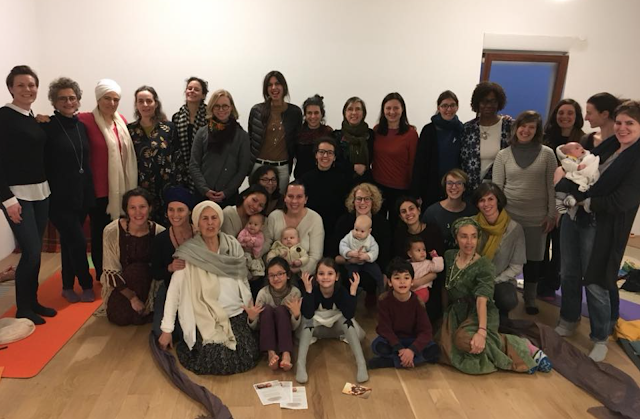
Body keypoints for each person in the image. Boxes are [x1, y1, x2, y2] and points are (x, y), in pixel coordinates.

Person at [556, 100, 640, 362]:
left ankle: (600, 336)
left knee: (595, 281)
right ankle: (568, 319)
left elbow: (623, 200)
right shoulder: (609, 146)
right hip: (573, 216)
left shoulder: (636, 158)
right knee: (568, 272)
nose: (622, 128)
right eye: (619, 122)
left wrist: (586, 201)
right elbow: (580, 167)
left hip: (601, 226)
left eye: (630, 123)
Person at [438, 217, 552, 375]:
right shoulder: (449, 256)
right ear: (456, 238)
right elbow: (445, 287)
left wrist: (481, 331)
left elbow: (481, 301)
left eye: (473, 236)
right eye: (464, 236)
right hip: (456, 312)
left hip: (478, 312)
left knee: (464, 340)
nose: (469, 242)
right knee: (443, 347)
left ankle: (520, 346)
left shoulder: (484, 265)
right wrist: (445, 313)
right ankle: (499, 343)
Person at [158, 200, 260, 375]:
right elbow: (174, 292)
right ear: (197, 223)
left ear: (220, 221)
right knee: (215, 358)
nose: (210, 223)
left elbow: (242, 277)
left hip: (235, 312)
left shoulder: (232, 245)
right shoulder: (189, 252)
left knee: (247, 353)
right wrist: (167, 330)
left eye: (214, 218)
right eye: (205, 219)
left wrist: (249, 306)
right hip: (204, 316)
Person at [0, 65, 56, 324]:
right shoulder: (3, 117)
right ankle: (23, 307)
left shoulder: (30, 116)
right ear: (10, 88)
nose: (27, 89)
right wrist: (7, 200)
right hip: (16, 196)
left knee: (36, 252)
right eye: (21, 85)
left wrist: (40, 122)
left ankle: (32, 301)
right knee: (31, 251)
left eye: (31, 85)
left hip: (41, 192)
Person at [492, 111, 556, 315]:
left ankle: (530, 298)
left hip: (537, 218)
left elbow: (552, 187)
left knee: (534, 260)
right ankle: (505, 293)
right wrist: (497, 217)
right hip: (510, 217)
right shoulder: (503, 155)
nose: (526, 130)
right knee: (506, 257)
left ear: (537, 131)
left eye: (531, 127)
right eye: (523, 126)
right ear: (516, 128)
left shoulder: (547, 154)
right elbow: (497, 188)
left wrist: (552, 214)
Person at [78, 79, 137, 283]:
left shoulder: (121, 121)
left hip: (122, 191)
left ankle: (119, 270)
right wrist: (41, 119)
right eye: (107, 98)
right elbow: (62, 124)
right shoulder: (85, 120)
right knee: (101, 235)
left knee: (121, 234)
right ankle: (102, 274)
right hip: (98, 191)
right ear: (98, 98)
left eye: (116, 99)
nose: (112, 103)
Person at [42, 77, 96, 303]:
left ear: (78, 100)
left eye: (72, 98)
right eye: (62, 98)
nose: (68, 102)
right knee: (78, 241)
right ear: (54, 102)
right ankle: (86, 284)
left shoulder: (81, 126)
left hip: (81, 195)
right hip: (58, 199)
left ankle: (66, 285)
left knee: (68, 242)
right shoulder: (46, 126)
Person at [540, 98, 585, 300]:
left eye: (570, 113)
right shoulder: (545, 138)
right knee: (541, 243)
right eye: (561, 112)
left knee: (560, 246)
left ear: (577, 117)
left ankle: (552, 283)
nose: (564, 117)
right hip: (543, 198)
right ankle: (539, 281)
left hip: (569, 202)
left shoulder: (583, 141)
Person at [296, 258, 368, 383]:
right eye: (321, 273)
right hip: (318, 328)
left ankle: (361, 364)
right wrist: (308, 291)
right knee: (307, 324)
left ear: (336, 276)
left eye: (330, 273)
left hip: (336, 328)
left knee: (348, 323)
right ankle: (300, 365)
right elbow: (308, 314)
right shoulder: (313, 290)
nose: (325, 277)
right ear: (316, 276)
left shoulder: (341, 291)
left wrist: (353, 292)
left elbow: (349, 314)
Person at [100, 188, 165, 326]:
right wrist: (132, 298)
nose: (138, 212)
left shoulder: (159, 232)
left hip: (149, 284)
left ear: (150, 208)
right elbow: (110, 271)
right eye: (132, 208)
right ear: (126, 210)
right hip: (122, 286)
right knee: (119, 318)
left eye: (142, 207)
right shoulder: (112, 231)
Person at [368, 257, 440, 369]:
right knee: (377, 346)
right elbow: (384, 328)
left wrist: (412, 350)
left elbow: (426, 331)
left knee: (434, 350)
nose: (402, 282)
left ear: (412, 281)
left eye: (406, 278)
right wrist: (399, 348)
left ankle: (392, 362)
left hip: (413, 339)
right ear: (390, 282)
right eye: (397, 278)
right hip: (393, 340)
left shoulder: (418, 302)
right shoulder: (384, 300)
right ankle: (410, 360)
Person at [331, 183, 391, 307]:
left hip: (371, 262)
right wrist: (349, 258)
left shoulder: (382, 223)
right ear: (353, 201)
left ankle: (372, 295)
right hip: (348, 262)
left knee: (376, 275)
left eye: (367, 199)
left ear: (373, 201)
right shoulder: (344, 221)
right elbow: (334, 253)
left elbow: (386, 254)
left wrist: (370, 260)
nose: (362, 202)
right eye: (359, 199)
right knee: (344, 275)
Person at [128, 85, 182, 224]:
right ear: (136, 105)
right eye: (141, 101)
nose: (145, 105)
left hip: (166, 187)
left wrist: (179, 187)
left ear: (156, 103)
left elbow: (178, 158)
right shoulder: (130, 130)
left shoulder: (169, 128)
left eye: (149, 101)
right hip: (141, 190)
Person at [473, 183, 526, 324]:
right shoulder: (471, 224)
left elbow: (516, 267)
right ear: (477, 204)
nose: (486, 204)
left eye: (490, 199)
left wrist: (492, 281)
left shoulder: (514, 229)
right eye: (482, 200)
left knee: (507, 299)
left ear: (498, 201)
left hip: (500, 280)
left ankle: (501, 317)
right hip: (474, 277)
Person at [190, 89, 251, 207]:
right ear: (212, 108)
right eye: (217, 106)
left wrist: (226, 192)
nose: (221, 110)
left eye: (225, 106)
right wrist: (205, 189)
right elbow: (194, 164)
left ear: (231, 107)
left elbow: (243, 169)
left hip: (228, 196)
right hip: (203, 194)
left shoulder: (242, 136)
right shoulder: (202, 133)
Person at [151, 186, 195, 339]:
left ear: (189, 211)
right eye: (171, 210)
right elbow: (155, 272)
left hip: (196, 289)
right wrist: (170, 267)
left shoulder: (200, 234)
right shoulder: (160, 239)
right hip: (169, 287)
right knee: (160, 332)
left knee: (188, 333)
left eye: (180, 210)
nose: (175, 215)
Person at [248, 71, 303, 193]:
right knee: (256, 201)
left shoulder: (295, 112)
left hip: (282, 168)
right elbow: (251, 139)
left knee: (279, 202)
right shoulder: (257, 111)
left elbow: (296, 140)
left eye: (277, 83)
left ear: (284, 86)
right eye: (270, 85)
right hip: (259, 166)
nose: (274, 88)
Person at [394, 196, 445, 323]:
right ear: (400, 217)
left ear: (419, 210)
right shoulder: (400, 234)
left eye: (411, 209)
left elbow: (439, 267)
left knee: (426, 313)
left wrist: (419, 282)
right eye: (404, 211)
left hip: (430, 282)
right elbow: (398, 264)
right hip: (406, 282)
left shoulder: (433, 230)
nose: (408, 213)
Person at [247, 257, 302, 371]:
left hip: (286, 335)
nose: (276, 278)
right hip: (267, 335)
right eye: (272, 275)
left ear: (288, 275)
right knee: (266, 309)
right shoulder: (263, 293)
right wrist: (252, 318)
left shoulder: (294, 293)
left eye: (280, 274)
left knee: (281, 310)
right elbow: (257, 327)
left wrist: (296, 315)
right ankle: (271, 354)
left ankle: (286, 354)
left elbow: (294, 327)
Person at [371, 92, 418, 226]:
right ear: (383, 110)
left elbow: (413, 164)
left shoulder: (411, 134)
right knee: (377, 225)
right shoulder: (376, 131)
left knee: (397, 227)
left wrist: (414, 193)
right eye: (388, 108)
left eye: (396, 108)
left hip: (401, 189)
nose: (392, 112)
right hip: (378, 187)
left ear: (402, 110)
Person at [411, 90, 464, 207]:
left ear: (457, 107)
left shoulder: (461, 130)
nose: (448, 109)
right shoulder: (428, 130)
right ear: (438, 108)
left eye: (452, 105)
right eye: (444, 106)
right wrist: (416, 192)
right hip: (431, 187)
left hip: (455, 187)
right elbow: (420, 162)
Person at [460, 81, 512, 191]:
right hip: (470, 190)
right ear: (477, 103)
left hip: (497, 190)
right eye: (484, 101)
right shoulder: (467, 128)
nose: (488, 105)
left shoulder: (508, 127)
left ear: (499, 102)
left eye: (493, 101)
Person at [264, 180, 324, 274]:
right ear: (285, 198)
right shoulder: (274, 217)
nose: (294, 201)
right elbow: (266, 247)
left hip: (305, 274)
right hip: (275, 273)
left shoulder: (315, 219)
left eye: (299, 197)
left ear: (305, 199)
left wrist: (297, 270)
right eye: (290, 196)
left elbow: (316, 256)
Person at [301, 137, 349, 250]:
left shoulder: (343, 179)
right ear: (316, 155)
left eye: (330, 153)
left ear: (335, 157)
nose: (325, 156)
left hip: (335, 227)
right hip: (311, 226)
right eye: (321, 152)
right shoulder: (305, 179)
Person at [422, 168, 477, 250]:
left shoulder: (472, 211)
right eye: (450, 183)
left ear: (464, 187)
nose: (454, 187)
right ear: (445, 186)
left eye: (459, 183)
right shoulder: (432, 212)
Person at [171, 77, 209, 193]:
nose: (192, 91)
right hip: (182, 172)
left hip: (204, 170)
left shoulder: (210, 116)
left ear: (203, 95)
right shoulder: (177, 117)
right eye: (189, 88)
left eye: (196, 89)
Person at [332, 96, 375, 184]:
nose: (354, 112)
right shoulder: (336, 136)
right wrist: (353, 167)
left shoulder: (371, 135)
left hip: (366, 183)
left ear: (363, 113)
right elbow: (334, 161)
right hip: (342, 182)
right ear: (344, 113)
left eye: (358, 109)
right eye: (350, 109)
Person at [339, 214, 384, 293]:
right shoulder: (349, 236)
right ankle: (354, 289)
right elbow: (342, 245)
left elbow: (375, 250)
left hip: (366, 262)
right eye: (356, 229)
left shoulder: (370, 239)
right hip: (353, 262)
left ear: (369, 231)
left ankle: (381, 287)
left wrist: (367, 256)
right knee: (352, 274)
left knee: (377, 272)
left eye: (362, 231)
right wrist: (349, 253)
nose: (358, 233)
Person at [293, 94, 333, 179]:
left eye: (316, 113)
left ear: (322, 114)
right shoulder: (298, 133)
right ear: (305, 115)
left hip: (324, 178)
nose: (313, 116)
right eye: (309, 113)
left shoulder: (328, 132)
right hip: (301, 177)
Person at [554, 142, 600, 213]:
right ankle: (559, 201)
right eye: (577, 148)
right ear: (568, 154)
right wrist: (577, 167)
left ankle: (572, 199)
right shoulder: (568, 160)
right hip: (571, 179)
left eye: (581, 146)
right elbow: (568, 165)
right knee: (563, 184)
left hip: (581, 182)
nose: (581, 148)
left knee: (582, 191)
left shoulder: (586, 158)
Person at [406, 236, 443, 304]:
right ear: (410, 254)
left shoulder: (427, 263)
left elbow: (439, 268)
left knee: (417, 302)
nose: (422, 252)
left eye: (424, 250)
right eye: (418, 250)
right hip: (408, 290)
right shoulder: (406, 264)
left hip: (422, 290)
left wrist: (435, 257)